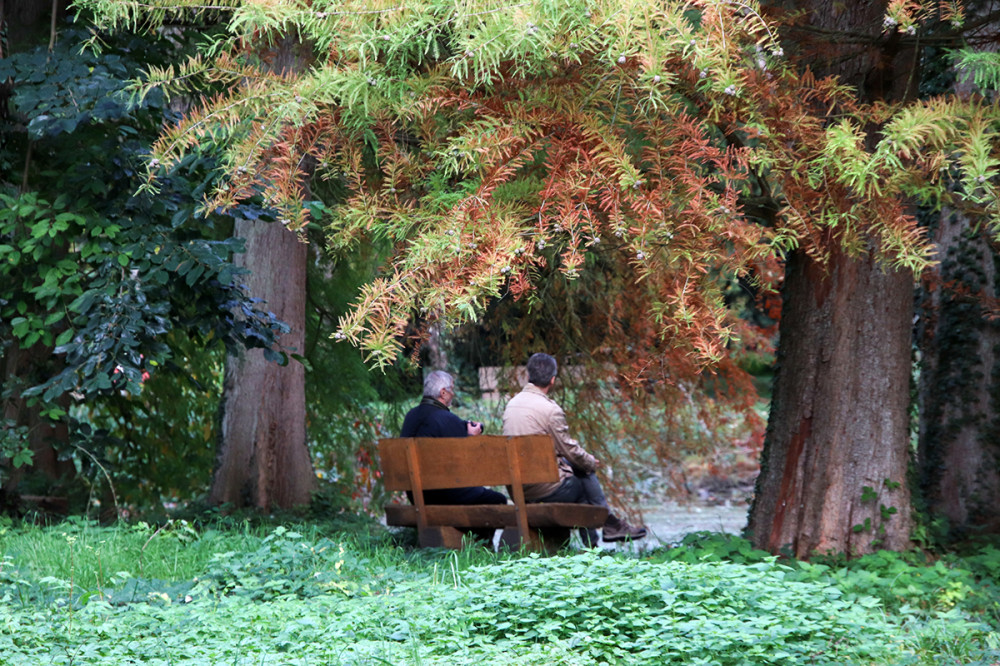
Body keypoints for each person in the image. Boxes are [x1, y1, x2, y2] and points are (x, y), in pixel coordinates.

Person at [502, 353, 647, 546]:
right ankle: (597, 544)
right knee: (584, 479)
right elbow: (569, 449)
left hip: (518, 488)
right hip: (544, 489)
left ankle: (609, 528)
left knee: (578, 471)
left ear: (529, 375)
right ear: (552, 380)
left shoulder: (511, 405)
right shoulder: (550, 410)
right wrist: (590, 462)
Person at [400, 370, 507, 543]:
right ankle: (481, 546)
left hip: (416, 494)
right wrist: (470, 435)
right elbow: (466, 465)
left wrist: (462, 427)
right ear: (442, 393)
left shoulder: (411, 416)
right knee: (498, 499)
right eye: (451, 390)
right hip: (443, 496)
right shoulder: (446, 419)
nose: (453, 394)